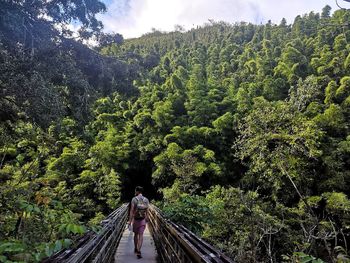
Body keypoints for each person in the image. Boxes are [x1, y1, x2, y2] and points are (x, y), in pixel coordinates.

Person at [128, 186, 149, 259]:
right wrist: (147, 218)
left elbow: (131, 210)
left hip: (136, 220)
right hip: (142, 220)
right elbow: (147, 210)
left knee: (135, 235)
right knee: (141, 235)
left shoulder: (134, 199)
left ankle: (136, 248)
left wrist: (130, 221)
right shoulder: (146, 199)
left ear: (137, 191)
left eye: (135, 191)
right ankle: (139, 251)